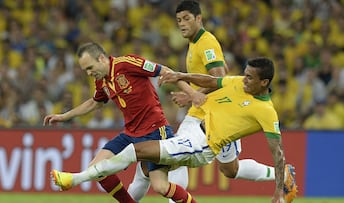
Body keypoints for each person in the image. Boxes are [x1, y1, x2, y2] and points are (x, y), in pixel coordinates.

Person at [51, 57, 296, 203]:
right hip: (195, 131)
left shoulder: (266, 112)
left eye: (250, 78)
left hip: (203, 147)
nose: (244, 80)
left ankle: (76, 178)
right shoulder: (238, 84)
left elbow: (277, 150)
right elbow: (210, 81)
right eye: (245, 75)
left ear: (264, 83)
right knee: (153, 173)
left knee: (134, 154)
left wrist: (278, 192)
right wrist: (181, 76)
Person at [129, 1, 297, 202]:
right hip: (213, 111)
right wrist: (190, 94)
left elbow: (218, 75)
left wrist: (192, 94)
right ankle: (283, 174)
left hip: (211, 113)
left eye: (187, 19)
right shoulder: (195, 43)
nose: (181, 24)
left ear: (199, 18)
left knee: (177, 157)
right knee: (230, 169)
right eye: (178, 20)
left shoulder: (206, 42)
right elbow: (220, 73)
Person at [44, 42, 203, 203]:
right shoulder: (102, 81)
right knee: (96, 169)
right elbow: (95, 102)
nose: (89, 73)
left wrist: (192, 93)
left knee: (161, 187)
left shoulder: (126, 64)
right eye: (86, 70)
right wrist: (65, 116)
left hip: (155, 131)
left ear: (101, 58)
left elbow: (165, 71)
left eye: (90, 68)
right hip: (130, 133)